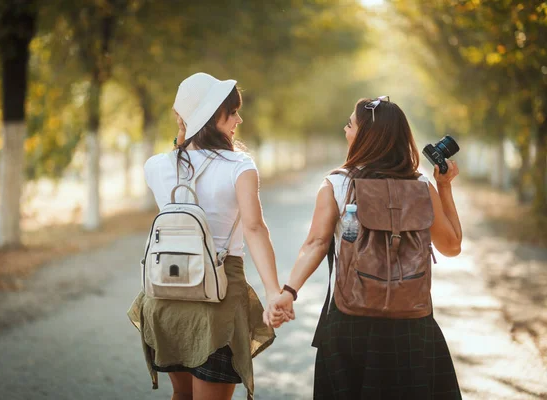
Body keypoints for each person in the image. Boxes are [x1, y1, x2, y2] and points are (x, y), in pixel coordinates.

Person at [269, 96, 463, 399]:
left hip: (350, 321)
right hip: (411, 322)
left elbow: (316, 243)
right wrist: (445, 186)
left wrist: (288, 291)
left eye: (350, 125)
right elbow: (451, 246)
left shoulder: (337, 184)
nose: (346, 131)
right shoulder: (421, 186)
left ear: (366, 137)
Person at [127, 72, 289, 400]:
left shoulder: (155, 166)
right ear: (212, 116)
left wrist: (185, 128)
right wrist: (274, 291)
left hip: (165, 298)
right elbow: (255, 229)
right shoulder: (239, 166)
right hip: (217, 299)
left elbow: (181, 152)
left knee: (181, 397)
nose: (239, 119)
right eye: (232, 113)